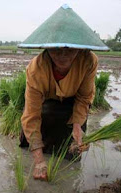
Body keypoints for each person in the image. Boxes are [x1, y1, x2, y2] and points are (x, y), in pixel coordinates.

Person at [17, 4, 109, 181]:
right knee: (37, 132)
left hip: (73, 102)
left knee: (73, 151)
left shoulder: (88, 61)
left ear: (80, 48)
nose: (63, 55)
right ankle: (36, 150)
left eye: (70, 49)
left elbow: (84, 97)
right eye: (56, 49)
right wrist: (38, 161)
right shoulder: (36, 69)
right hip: (48, 101)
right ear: (47, 47)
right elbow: (31, 114)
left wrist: (77, 125)